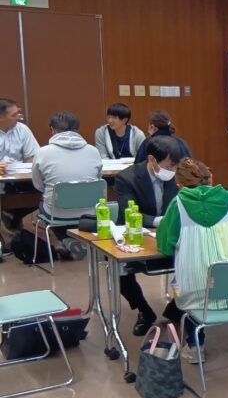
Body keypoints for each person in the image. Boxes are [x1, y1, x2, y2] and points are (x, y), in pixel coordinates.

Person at [156, 158, 228, 364]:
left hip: (197, 296)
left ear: (180, 185)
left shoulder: (177, 205)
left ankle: (195, 346)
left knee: (183, 284)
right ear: (211, 178)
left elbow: (165, 246)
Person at [114, 136, 183, 335]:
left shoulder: (177, 176)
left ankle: (176, 308)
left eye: (175, 166)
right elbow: (128, 212)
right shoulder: (127, 178)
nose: (173, 171)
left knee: (197, 258)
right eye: (169, 166)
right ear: (152, 160)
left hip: (171, 236)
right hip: (137, 235)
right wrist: (159, 221)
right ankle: (144, 310)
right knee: (119, 269)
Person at [29, 110, 103, 259]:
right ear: (77, 129)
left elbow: (38, 185)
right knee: (71, 203)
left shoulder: (42, 153)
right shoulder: (93, 151)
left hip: (56, 212)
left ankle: (66, 240)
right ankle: (69, 242)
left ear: (52, 129)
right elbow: (98, 179)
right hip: (90, 212)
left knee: (48, 201)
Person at [0, 97, 41, 240]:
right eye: (14, 115)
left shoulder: (22, 129)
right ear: (1, 117)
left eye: (18, 113)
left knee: (43, 189)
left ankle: (12, 215)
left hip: (18, 178)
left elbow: (33, 157)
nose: (19, 117)